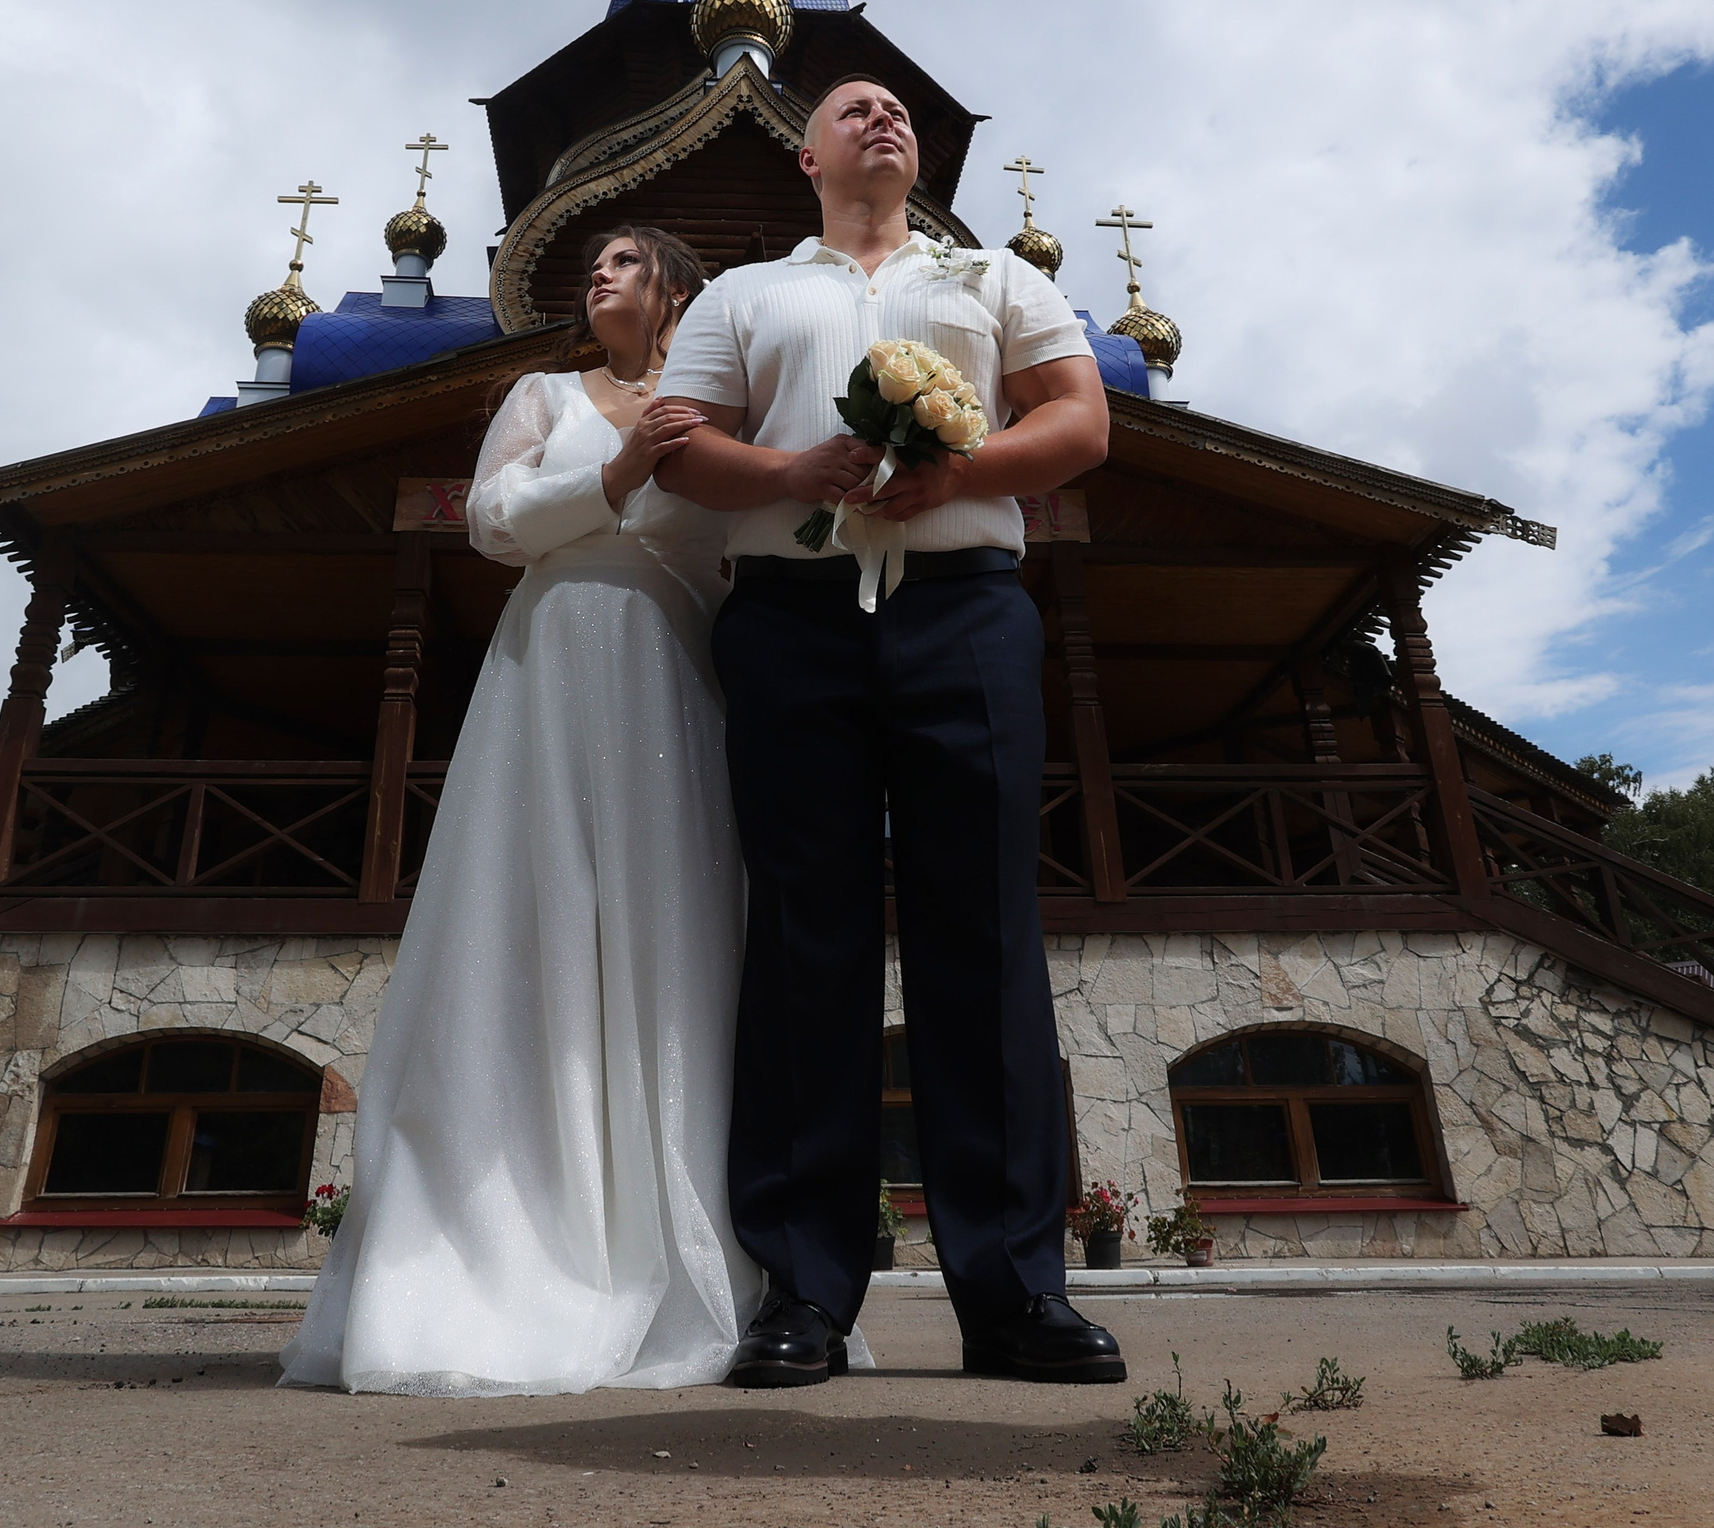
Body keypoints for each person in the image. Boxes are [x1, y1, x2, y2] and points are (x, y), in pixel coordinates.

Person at [658, 76, 1129, 1387]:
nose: (883, 121)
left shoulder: (989, 280)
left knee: (979, 929)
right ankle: (802, 1292)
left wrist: (957, 474)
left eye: (900, 115)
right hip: (792, 617)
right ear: (805, 153)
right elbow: (684, 443)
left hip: (965, 609)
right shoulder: (747, 293)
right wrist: (790, 474)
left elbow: (1081, 421)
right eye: (855, 110)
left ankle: (1015, 1295)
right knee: (805, 936)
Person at [280, 225, 764, 1396]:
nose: (595, 277)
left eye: (624, 262)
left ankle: (683, 1246)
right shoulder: (545, 391)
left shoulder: (729, 411)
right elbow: (492, 521)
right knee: (530, 920)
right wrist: (615, 470)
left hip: (672, 677)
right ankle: (501, 1244)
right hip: (550, 664)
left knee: (675, 945)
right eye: (589, 263)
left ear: (679, 290)